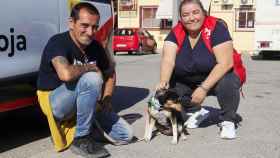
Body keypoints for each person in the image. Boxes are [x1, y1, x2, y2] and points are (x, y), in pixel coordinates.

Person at [37, 2, 133, 157]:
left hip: (85, 102)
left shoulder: (95, 46)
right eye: (84, 25)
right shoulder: (58, 42)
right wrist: (90, 67)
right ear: (71, 23)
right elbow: (66, 75)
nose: (90, 32)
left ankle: (86, 128)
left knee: (126, 134)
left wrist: (107, 98)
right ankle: (81, 138)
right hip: (55, 102)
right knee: (92, 78)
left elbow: (110, 73)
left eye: (94, 27)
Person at [157, 0, 245, 139]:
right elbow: (168, 60)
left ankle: (228, 120)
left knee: (229, 79)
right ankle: (196, 111)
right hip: (189, 80)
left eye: (195, 12)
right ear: (181, 18)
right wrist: (163, 81)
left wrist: (203, 88)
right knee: (167, 91)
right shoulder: (176, 32)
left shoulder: (217, 28)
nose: (191, 18)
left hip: (216, 79)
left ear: (204, 13)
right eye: (185, 14)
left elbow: (225, 63)